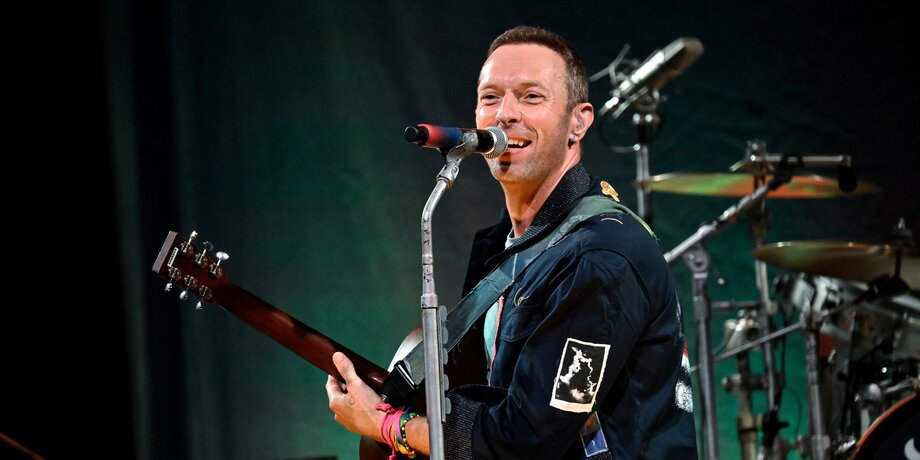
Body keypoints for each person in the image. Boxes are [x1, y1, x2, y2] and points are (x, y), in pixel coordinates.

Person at [325, 25, 697, 459]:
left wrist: (389, 426)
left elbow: (525, 441)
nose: (505, 113)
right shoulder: (503, 247)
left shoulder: (601, 256)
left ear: (578, 121)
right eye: (490, 97)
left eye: (531, 96)